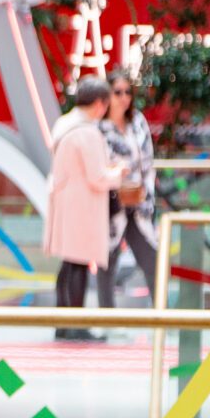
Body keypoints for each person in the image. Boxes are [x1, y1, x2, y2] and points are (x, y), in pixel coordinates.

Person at [44, 78, 125, 340]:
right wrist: (119, 172)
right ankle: (76, 325)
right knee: (78, 263)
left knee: (68, 264)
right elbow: (98, 177)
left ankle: (62, 323)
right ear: (100, 104)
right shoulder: (87, 133)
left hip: (66, 203)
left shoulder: (64, 124)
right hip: (83, 206)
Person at [97, 72, 158, 309]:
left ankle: (162, 317)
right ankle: (107, 318)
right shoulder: (99, 127)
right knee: (106, 262)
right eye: (118, 92)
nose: (124, 98)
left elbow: (148, 163)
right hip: (111, 205)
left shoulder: (138, 122)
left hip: (139, 205)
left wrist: (147, 195)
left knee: (151, 260)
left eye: (128, 92)